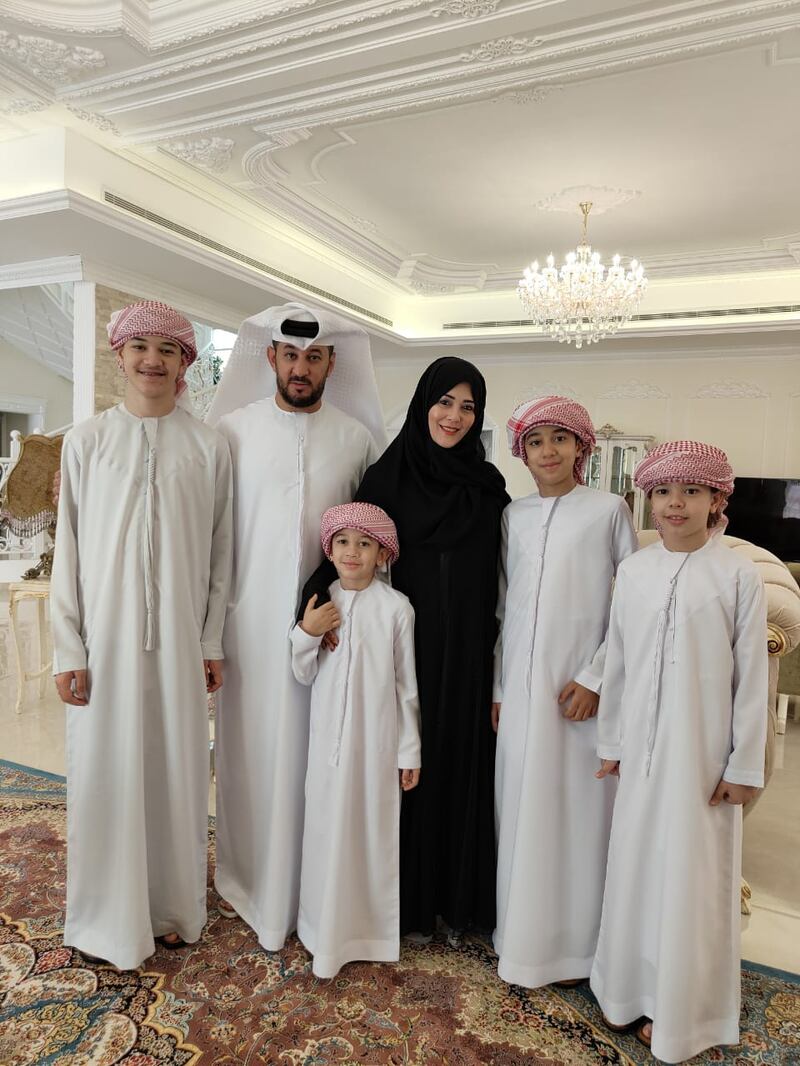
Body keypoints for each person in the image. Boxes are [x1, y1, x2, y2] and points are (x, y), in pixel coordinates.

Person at [50, 301, 233, 970]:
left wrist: (210, 642)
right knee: (108, 773)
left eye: (168, 349)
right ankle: (104, 918)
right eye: (140, 347)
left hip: (181, 645)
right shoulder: (86, 441)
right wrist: (70, 649)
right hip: (106, 646)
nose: (152, 360)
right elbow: (68, 551)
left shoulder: (209, 446)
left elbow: (221, 557)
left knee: (179, 772)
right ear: (119, 355)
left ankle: (175, 910)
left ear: (186, 362)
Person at [303, 356, 509, 940]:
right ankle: (404, 906)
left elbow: (503, 577)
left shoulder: (488, 486)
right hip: (404, 648)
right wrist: (314, 610)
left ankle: (459, 900)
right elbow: (348, 552)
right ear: (423, 404)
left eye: (468, 407)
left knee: (462, 767)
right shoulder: (387, 478)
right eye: (445, 402)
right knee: (408, 769)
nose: (454, 416)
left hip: (468, 656)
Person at [205, 301, 384, 951]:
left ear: (332, 362)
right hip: (247, 627)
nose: (301, 367)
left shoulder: (357, 439)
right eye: (290, 355)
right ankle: (252, 880)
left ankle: (315, 886)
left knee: (318, 757)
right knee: (254, 753)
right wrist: (210, 633)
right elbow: (215, 539)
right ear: (271, 357)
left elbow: (372, 542)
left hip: (328, 630)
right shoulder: (232, 430)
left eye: (314, 356)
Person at [591, 441, 768, 1062]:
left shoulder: (738, 574)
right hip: (639, 749)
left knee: (691, 876)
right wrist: (610, 740)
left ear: (717, 499)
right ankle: (625, 991)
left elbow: (752, 678)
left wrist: (744, 765)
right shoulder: (634, 571)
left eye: (691, 492)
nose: (674, 504)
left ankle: (683, 1010)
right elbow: (618, 658)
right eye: (663, 492)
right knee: (638, 864)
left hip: (703, 758)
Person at [492, 396, 638, 989]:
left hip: (578, 693)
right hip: (522, 696)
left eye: (559, 439)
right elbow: (505, 606)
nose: (547, 451)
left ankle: (576, 948)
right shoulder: (513, 515)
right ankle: (518, 936)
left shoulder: (608, 510)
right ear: (520, 451)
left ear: (581, 447)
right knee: (520, 806)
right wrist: (500, 685)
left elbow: (633, 600)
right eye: (535, 441)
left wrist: (597, 678)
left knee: (575, 814)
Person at [291, 501, 421, 978]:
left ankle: (365, 933)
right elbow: (301, 672)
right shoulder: (321, 601)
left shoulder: (397, 609)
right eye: (343, 542)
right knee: (325, 832)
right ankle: (318, 929)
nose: (352, 552)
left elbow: (406, 688)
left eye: (364, 544)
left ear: (382, 554)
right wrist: (307, 632)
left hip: (376, 750)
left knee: (370, 834)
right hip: (327, 750)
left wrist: (410, 751)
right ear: (330, 549)